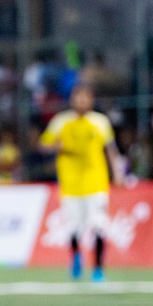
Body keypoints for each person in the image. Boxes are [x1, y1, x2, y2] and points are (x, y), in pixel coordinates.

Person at [39, 84, 121, 282]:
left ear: (91, 100)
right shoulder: (61, 122)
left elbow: (111, 149)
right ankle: (76, 257)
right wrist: (55, 146)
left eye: (86, 97)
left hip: (96, 182)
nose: (82, 101)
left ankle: (98, 269)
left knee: (99, 225)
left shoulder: (100, 122)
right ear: (72, 100)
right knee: (74, 227)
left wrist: (118, 172)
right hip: (71, 184)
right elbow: (43, 144)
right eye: (79, 97)